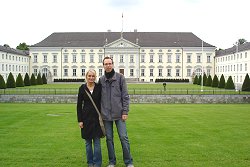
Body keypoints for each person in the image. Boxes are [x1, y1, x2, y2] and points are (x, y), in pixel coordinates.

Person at [99, 57, 134, 167]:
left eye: (110, 63)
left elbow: (125, 96)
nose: (108, 65)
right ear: (103, 66)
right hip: (106, 115)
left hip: (119, 114)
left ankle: (128, 162)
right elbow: (98, 97)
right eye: (106, 64)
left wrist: (125, 111)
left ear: (113, 64)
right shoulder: (101, 80)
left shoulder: (120, 78)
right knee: (109, 139)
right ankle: (112, 162)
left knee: (123, 137)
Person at [77, 69, 104, 167]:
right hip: (86, 118)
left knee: (97, 142)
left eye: (93, 76)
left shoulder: (99, 87)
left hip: (97, 118)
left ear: (95, 77)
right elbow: (79, 105)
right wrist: (80, 120)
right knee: (88, 143)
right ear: (86, 77)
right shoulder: (82, 88)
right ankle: (90, 162)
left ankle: (97, 163)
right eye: (89, 76)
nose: (91, 78)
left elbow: (103, 103)